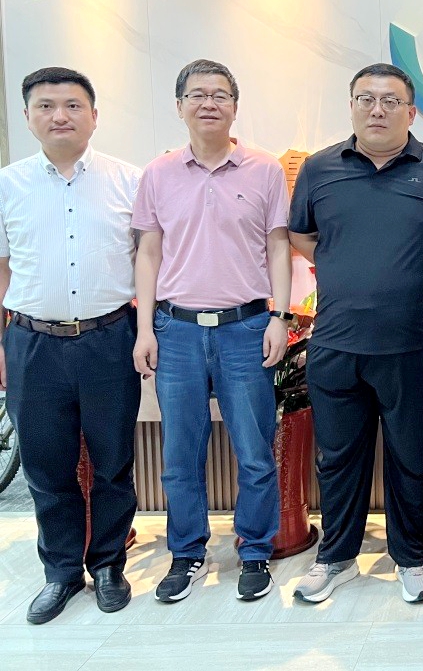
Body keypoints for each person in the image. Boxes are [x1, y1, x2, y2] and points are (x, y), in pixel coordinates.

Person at [287, 63, 423, 604]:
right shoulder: (319, 169)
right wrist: (345, 265)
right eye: (366, 99)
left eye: (390, 100)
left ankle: (410, 558)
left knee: (413, 460)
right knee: (337, 460)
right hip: (336, 344)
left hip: (413, 346)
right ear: (351, 107)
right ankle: (336, 558)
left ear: (411, 112)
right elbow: (301, 235)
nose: (377, 109)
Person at [132, 59, 292, 603]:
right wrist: (144, 329)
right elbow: (148, 252)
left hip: (245, 328)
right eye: (197, 94)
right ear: (179, 106)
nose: (209, 103)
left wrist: (279, 316)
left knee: (254, 451)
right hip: (175, 331)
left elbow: (277, 246)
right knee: (180, 455)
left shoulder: (264, 169)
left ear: (235, 107)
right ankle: (187, 553)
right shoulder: (158, 174)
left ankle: (255, 550)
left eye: (220, 94)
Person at [0, 67, 141, 624]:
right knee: (45, 465)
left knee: (113, 461)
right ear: (28, 116)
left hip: (109, 338)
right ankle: (60, 572)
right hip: (32, 342)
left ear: (94, 116)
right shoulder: (7, 184)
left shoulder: (128, 181)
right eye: (46, 106)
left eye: (73, 105)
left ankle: (108, 564)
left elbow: (150, 261)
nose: (60, 115)